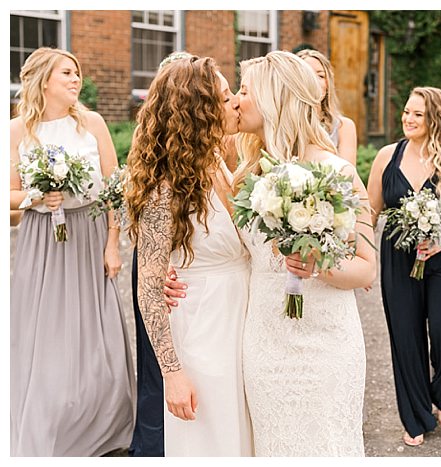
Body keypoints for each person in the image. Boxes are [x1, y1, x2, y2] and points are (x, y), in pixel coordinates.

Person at [164, 50, 376, 456]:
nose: (235, 100)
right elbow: (221, 241)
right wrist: (170, 273)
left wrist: (320, 267)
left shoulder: (339, 172)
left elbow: (366, 269)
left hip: (325, 338)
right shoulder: (244, 171)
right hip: (263, 339)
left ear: (276, 98)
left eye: (244, 90)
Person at [9, 47, 135, 456]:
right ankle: (49, 421)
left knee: (96, 334)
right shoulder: (15, 131)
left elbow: (115, 189)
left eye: (77, 72)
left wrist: (113, 243)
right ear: (44, 80)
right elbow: (6, 197)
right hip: (41, 241)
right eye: (67, 72)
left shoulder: (92, 124)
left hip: (89, 236)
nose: (76, 79)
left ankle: (101, 420)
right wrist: (35, 195)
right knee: (45, 334)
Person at [124, 54, 253, 456]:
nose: (235, 103)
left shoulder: (219, 160)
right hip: (202, 328)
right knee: (210, 443)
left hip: (242, 321)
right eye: (226, 95)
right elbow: (148, 288)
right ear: (199, 111)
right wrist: (173, 374)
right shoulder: (165, 189)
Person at [367, 86, 441, 446]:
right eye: (407, 112)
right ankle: (414, 415)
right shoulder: (387, 156)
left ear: (435, 119)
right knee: (405, 335)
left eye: (418, 114)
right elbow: (370, 212)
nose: (409, 119)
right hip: (398, 256)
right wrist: (362, 257)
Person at [297, 48, 358, 165]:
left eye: (320, 76)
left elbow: (348, 178)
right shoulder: (284, 126)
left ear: (328, 83)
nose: (314, 81)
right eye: (307, 75)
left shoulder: (343, 127)